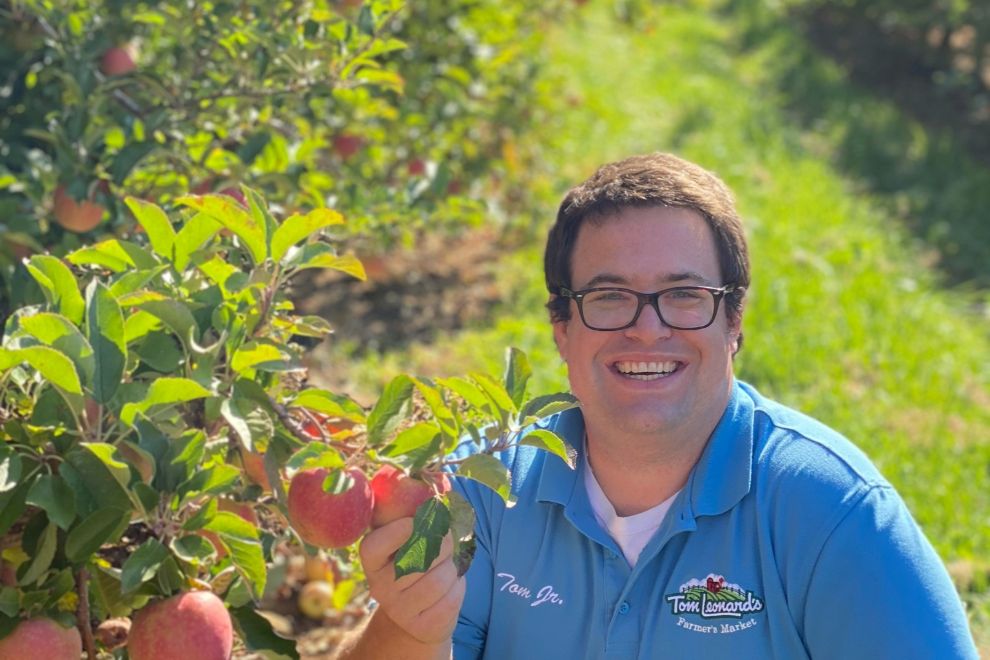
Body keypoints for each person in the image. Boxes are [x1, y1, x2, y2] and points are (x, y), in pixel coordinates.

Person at [337, 153, 979, 659]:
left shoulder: (830, 514)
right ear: (562, 326)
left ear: (733, 322)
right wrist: (414, 632)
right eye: (610, 296)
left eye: (685, 295)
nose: (647, 329)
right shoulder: (484, 487)